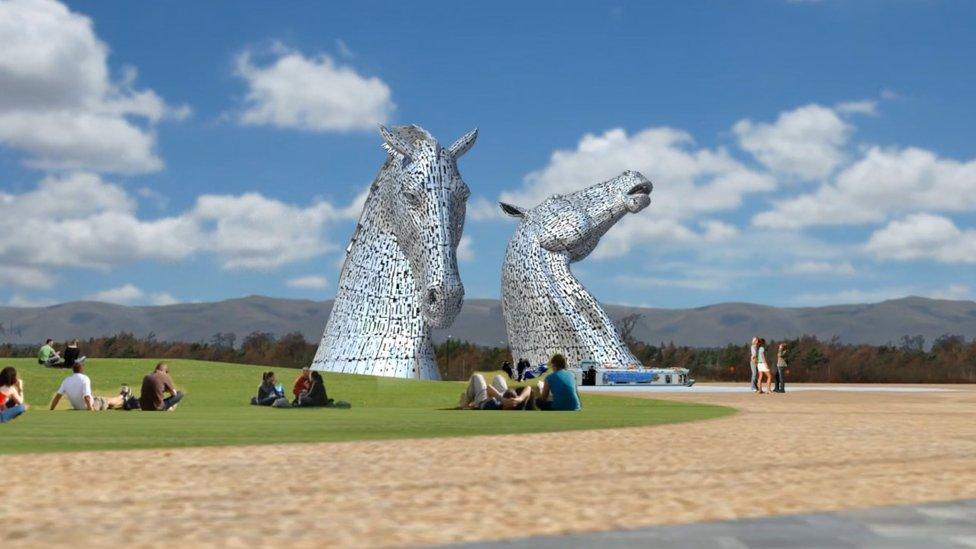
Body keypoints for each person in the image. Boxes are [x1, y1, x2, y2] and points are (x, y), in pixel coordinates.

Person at [49, 363, 126, 411]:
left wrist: (51, 409)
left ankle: (122, 396)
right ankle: (124, 397)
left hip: (77, 407)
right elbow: (86, 396)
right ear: (82, 369)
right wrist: (90, 409)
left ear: (73, 370)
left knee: (102, 399)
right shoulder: (85, 378)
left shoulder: (66, 380)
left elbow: (58, 396)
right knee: (108, 401)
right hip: (89, 405)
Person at [459, 373, 533, 410]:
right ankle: (505, 394)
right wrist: (519, 399)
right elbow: (528, 388)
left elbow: (488, 389)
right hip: (502, 396)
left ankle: (465, 402)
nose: (511, 403)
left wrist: (501, 399)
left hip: (483, 400)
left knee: (477, 376)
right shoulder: (518, 404)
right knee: (498, 377)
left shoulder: (493, 405)